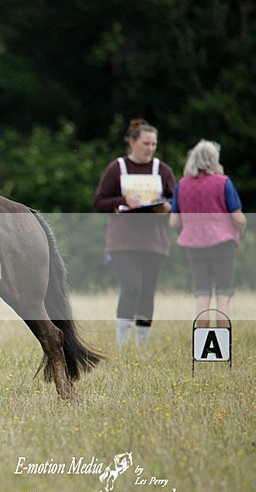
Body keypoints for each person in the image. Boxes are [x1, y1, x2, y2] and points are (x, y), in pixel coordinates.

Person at [93, 118, 176, 346]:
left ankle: (142, 344)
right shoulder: (116, 168)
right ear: (132, 142)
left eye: (153, 144)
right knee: (132, 285)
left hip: (154, 241)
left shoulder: (163, 170)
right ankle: (122, 341)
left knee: (147, 290)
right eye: (146, 143)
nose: (150, 148)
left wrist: (168, 207)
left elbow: (175, 201)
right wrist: (123, 201)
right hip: (124, 241)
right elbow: (99, 202)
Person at [170, 140, 246, 325]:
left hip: (193, 245)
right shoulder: (223, 182)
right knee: (223, 294)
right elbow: (238, 218)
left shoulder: (182, 184)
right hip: (223, 243)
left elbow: (173, 222)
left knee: (202, 294)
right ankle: (221, 342)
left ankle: (202, 342)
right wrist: (240, 231)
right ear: (214, 159)